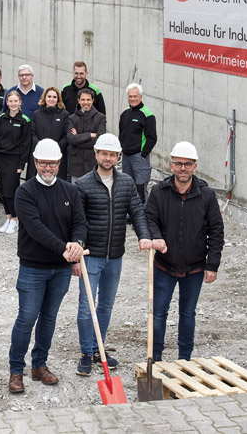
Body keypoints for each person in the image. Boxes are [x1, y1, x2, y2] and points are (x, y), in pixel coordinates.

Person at [7, 138, 86, 394]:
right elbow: (36, 229)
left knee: (49, 318)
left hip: (60, 270)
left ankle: (39, 365)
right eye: (42, 163)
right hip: (33, 267)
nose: (47, 168)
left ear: (59, 163)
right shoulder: (25, 192)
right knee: (27, 318)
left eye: (51, 163)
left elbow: (80, 223)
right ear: (35, 162)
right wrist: (66, 249)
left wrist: (77, 243)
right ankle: (16, 370)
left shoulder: (70, 191)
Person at [72, 133, 153, 376]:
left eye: (112, 154)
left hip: (115, 255)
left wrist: (144, 236)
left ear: (118, 157)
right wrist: (77, 253)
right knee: (87, 307)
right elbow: (77, 221)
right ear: (96, 154)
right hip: (90, 256)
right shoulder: (83, 184)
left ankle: (99, 348)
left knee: (106, 305)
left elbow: (137, 212)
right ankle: (86, 352)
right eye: (104, 154)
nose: (108, 158)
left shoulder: (126, 182)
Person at [144, 141, 224, 361]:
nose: (183, 168)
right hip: (163, 265)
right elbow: (149, 218)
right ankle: (156, 358)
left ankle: (184, 360)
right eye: (179, 164)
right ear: (171, 166)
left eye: (188, 164)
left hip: (194, 267)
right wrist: (156, 236)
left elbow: (216, 230)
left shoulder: (206, 195)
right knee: (158, 314)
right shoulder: (159, 192)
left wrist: (212, 264)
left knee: (188, 313)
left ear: (195, 167)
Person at [0, 91, 33, 235]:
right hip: (1, 158)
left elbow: (26, 144)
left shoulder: (24, 120)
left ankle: (16, 220)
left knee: (11, 191)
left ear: (20, 102)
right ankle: (8, 218)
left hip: (14, 159)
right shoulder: (1, 118)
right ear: (7, 102)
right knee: (3, 190)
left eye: (15, 101)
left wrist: (21, 164)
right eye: (10, 101)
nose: (13, 104)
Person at [119, 83, 157, 204]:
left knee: (140, 188)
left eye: (135, 96)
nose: (132, 99)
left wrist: (143, 154)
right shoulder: (125, 113)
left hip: (139, 158)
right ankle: (130, 214)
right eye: (130, 96)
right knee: (128, 187)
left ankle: (143, 215)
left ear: (141, 96)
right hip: (126, 157)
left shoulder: (147, 114)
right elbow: (122, 133)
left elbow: (152, 138)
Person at [28, 87, 69, 180]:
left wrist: (56, 147)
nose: (51, 99)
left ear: (58, 99)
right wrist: (40, 146)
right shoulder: (36, 114)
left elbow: (66, 135)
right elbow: (32, 133)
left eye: (54, 97)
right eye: (49, 96)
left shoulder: (64, 115)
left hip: (57, 156)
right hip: (39, 155)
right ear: (44, 98)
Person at [67, 90, 106, 180]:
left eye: (88, 99)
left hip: (93, 162)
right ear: (78, 100)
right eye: (83, 99)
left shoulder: (100, 117)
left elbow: (100, 140)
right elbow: (71, 139)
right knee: (77, 192)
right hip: (76, 164)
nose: (85, 102)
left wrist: (78, 138)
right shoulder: (72, 118)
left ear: (92, 100)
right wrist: (90, 135)